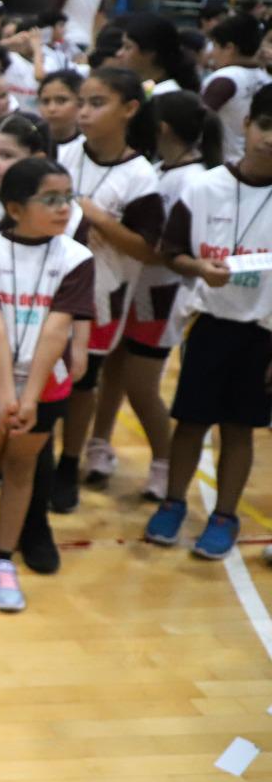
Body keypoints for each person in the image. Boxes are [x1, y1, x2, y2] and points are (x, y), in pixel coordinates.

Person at [0, 158, 95, 611]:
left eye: (67, 198)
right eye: (49, 200)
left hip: (44, 382)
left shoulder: (77, 258)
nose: (62, 208)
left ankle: (3, 557)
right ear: (15, 207)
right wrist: (7, 396)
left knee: (21, 468)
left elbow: (57, 329)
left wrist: (28, 398)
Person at [144, 84, 272, 559]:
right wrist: (199, 268)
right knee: (191, 420)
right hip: (208, 322)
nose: (270, 139)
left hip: (263, 332)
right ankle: (174, 504)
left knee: (239, 429)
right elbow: (171, 252)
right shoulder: (204, 187)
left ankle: (225, 515)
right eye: (265, 126)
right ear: (247, 124)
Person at [86, 92, 221, 500]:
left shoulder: (194, 180)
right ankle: (99, 444)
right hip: (131, 285)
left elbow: (171, 244)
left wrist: (102, 222)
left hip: (162, 295)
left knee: (140, 385)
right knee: (110, 370)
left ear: (159, 127)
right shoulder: (161, 169)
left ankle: (163, 462)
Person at [52, 67, 164, 512]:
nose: (83, 112)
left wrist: (98, 218)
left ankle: (68, 461)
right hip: (45, 289)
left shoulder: (141, 176)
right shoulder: (62, 155)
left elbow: (148, 251)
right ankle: (36, 456)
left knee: (83, 384)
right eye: (81, 102)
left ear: (129, 109)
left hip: (100, 297)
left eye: (96, 104)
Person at [202, 14, 271, 162]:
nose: (211, 53)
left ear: (229, 48)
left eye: (214, 45)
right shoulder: (265, 77)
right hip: (254, 161)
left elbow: (197, 123)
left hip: (222, 162)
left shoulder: (224, 79)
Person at [37, 70, 83, 149]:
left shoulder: (92, 145)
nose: (51, 109)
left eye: (61, 101)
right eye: (45, 101)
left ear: (80, 103)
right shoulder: (27, 144)